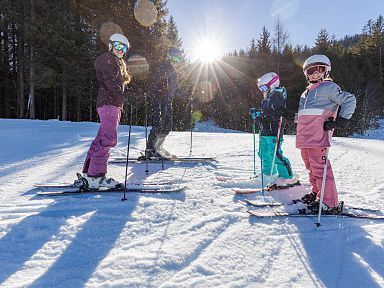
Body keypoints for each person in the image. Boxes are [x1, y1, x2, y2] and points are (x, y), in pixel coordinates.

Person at [297, 54, 356, 214]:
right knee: (311, 168)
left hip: (318, 136)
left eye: (319, 69)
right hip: (305, 137)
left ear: (326, 71)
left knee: (320, 169)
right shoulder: (305, 93)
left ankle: (330, 203)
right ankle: (317, 193)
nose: (315, 73)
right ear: (306, 74)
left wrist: (341, 121)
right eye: (311, 70)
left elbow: (349, 100)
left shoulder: (329, 87)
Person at [76, 33, 132, 189]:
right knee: (108, 138)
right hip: (109, 104)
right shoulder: (106, 59)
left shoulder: (117, 63)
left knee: (101, 138)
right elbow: (109, 81)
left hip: (112, 104)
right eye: (118, 46)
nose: (121, 50)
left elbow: (116, 84)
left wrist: (131, 95)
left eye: (124, 48)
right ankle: (96, 175)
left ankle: (88, 173)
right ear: (111, 46)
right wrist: (123, 96)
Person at [249, 72, 298, 186]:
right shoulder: (268, 98)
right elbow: (267, 113)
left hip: (274, 131)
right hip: (265, 131)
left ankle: (287, 177)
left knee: (275, 154)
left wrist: (260, 115)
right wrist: (258, 113)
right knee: (264, 153)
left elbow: (275, 115)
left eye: (264, 87)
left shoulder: (276, 95)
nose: (262, 90)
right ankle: (268, 173)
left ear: (272, 84)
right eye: (261, 88)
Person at [139, 47, 183, 160]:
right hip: (158, 100)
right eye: (174, 58)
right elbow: (152, 83)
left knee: (168, 126)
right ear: (169, 57)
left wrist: (187, 96)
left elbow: (174, 89)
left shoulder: (173, 72)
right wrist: (158, 92)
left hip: (167, 102)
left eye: (179, 59)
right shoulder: (162, 68)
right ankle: (150, 150)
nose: (176, 61)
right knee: (158, 125)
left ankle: (158, 147)